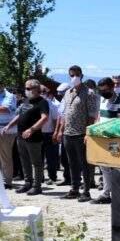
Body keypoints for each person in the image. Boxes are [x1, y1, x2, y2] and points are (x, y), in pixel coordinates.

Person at [55, 65, 99, 202]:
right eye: (71, 75)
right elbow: (64, 114)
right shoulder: (68, 93)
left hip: (81, 133)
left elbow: (92, 115)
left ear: (81, 76)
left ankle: (86, 191)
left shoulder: (89, 93)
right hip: (68, 133)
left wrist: (88, 133)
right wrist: (60, 131)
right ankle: (74, 188)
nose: (74, 77)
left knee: (84, 163)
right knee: (71, 162)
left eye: (76, 75)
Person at [2, 79, 49, 195]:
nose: (26, 91)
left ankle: (37, 186)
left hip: (34, 138)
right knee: (24, 161)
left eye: (28, 88)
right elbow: (19, 116)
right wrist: (9, 125)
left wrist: (31, 129)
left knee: (36, 163)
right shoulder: (27, 101)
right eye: (25, 88)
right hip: (21, 136)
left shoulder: (42, 102)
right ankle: (27, 183)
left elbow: (44, 118)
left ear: (36, 89)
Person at [91, 77, 120, 204]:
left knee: (114, 167)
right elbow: (98, 117)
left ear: (112, 87)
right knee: (103, 166)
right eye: (101, 90)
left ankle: (115, 193)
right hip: (101, 139)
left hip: (113, 140)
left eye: (105, 90)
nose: (103, 92)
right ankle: (106, 193)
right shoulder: (102, 100)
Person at [41, 87, 60, 185]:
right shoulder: (36, 104)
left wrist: (55, 132)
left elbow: (56, 120)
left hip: (49, 133)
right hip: (38, 134)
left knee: (51, 158)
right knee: (39, 157)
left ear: (47, 93)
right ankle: (40, 177)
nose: (42, 93)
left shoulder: (52, 105)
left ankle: (52, 177)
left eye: (43, 92)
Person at [0, 80, 17, 189]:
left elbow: (5, 109)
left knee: (5, 157)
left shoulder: (9, 96)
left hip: (6, 130)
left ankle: (7, 181)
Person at [55, 82, 71, 186]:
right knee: (64, 158)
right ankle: (67, 178)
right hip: (62, 132)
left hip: (69, 132)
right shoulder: (62, 102)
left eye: (61, 93)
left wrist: (60, 131)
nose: (59, 95)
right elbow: (59, 117)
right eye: (58, 93)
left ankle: (73, 179)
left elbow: (65, 119)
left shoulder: (69, 101)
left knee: (70, 158)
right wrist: (56, 131)